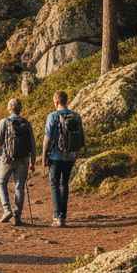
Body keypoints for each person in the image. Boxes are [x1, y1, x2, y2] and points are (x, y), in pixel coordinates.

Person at [0, 98, 36, 226]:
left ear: (9, 108)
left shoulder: (4, 122)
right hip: (23, 160)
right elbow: (32, 144)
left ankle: (7, 209)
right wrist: (32, 161)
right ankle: (17, 215)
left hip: (7, 159)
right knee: (19, 186)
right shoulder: (26, 123)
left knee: (1, 182)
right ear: (20, 109)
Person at [42, 89, 83, 227]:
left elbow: (47, 139)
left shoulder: (52, 117)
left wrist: (44, 157)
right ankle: (63, 216)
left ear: (57, 102)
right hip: (70, 155)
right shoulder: (76, 116)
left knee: (54, 184)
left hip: (55, 156)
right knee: (64, 184)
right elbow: (80, 137)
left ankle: (58, 217)